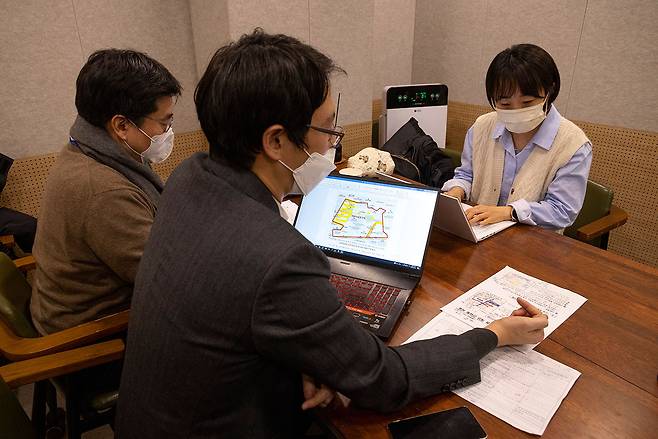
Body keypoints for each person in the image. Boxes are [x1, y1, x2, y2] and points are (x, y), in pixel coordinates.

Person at [115, 29, 548, 438]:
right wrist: (494, 335)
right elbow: (383, 379)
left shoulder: (189, 178)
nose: (330, 146)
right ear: (276, 141)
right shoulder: (279, 259)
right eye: (327, 129)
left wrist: (310, 359)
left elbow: (231, 313)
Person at [30, 49, 181, 335]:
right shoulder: (103, 191)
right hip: (91, 342)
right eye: (164, 122)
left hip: (81, 311)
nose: (168, 131)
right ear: (122, 125)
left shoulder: (88, 151)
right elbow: (171, 278)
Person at [442, 44, 592, 230]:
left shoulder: (573, 144)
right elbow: (466, 174)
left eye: (528, 102)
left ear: (549, 91)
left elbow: (562, 210)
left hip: (532, 243)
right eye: (505, 104)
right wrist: (457, 190)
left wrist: (509, 212)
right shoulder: (482, 127)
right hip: (479, 231)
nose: (517, 111)